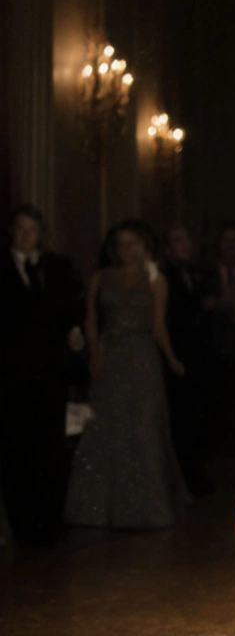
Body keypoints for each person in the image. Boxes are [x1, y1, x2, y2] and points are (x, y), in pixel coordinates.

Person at [65, 221, 190, 530]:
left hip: (142, 359)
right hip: (110, 358)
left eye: (132, 243)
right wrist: (95, 351)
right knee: (107, 427)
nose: (126, 249)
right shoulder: (101, 277)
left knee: (143, 428)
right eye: (120, 244)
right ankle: (100, 509)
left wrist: (171, 358)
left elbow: (158, 325)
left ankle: (146, 509)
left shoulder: (155, 279)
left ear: (144, 245)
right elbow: (91, 318)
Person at [0, 205, 85, 544]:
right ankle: (23, 524)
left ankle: (49, 521)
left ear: (41, 234)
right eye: (20, 228)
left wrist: (74, 332)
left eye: (32, 229)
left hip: (51, 374)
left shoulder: (57, 267)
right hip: (10, 376)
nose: (25, 235)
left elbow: (70, 307)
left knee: (50, 448)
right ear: (11, 231)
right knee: (16, 449)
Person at [162, 224, 219, 496]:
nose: (185, 244)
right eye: (177, 240)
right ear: (168, 248)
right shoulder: (166, 276)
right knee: (182, 417)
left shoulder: (197, 273)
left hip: (199, 355)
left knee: (198, 415)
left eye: (187, 239)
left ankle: (196, 474)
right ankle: (187, 479)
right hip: (179, 355)